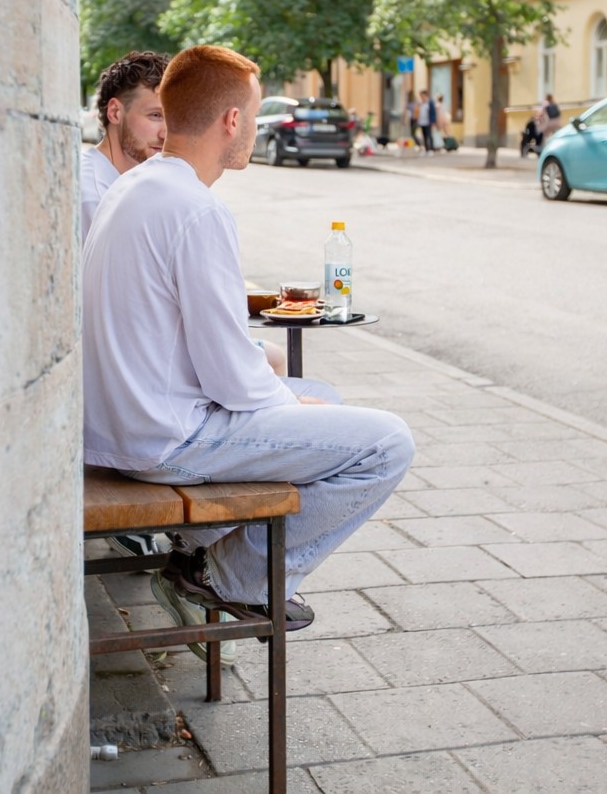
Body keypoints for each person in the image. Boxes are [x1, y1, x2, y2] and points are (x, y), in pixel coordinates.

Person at [84, 44, 414, 647]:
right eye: (255, 118)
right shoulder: (196, 209)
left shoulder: (132, 191)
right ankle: (228, 575)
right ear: (231, 121)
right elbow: (231, 376)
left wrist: (291, 402)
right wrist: (285, 407)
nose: (257, 132)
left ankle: (203, 544)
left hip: (115, 427)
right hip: (162, 441)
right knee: (387, 442)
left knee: (323, 396)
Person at [81, 51, 170, 241]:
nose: (166, 133)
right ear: (115, 112)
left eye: (173, 119)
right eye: (155, 115)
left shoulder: (138, 183)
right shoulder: (92, 197)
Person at [419, 89, 437, 154]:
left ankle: (431, 149)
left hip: (428, 122)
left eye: (423, 96)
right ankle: (426, 149)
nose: (422, 97)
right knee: (424, 136)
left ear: (426, 95)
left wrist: (433, 122)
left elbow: (433, 113)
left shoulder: (430, 102)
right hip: (422, 122)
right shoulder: (421, 103)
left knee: (429, 136)